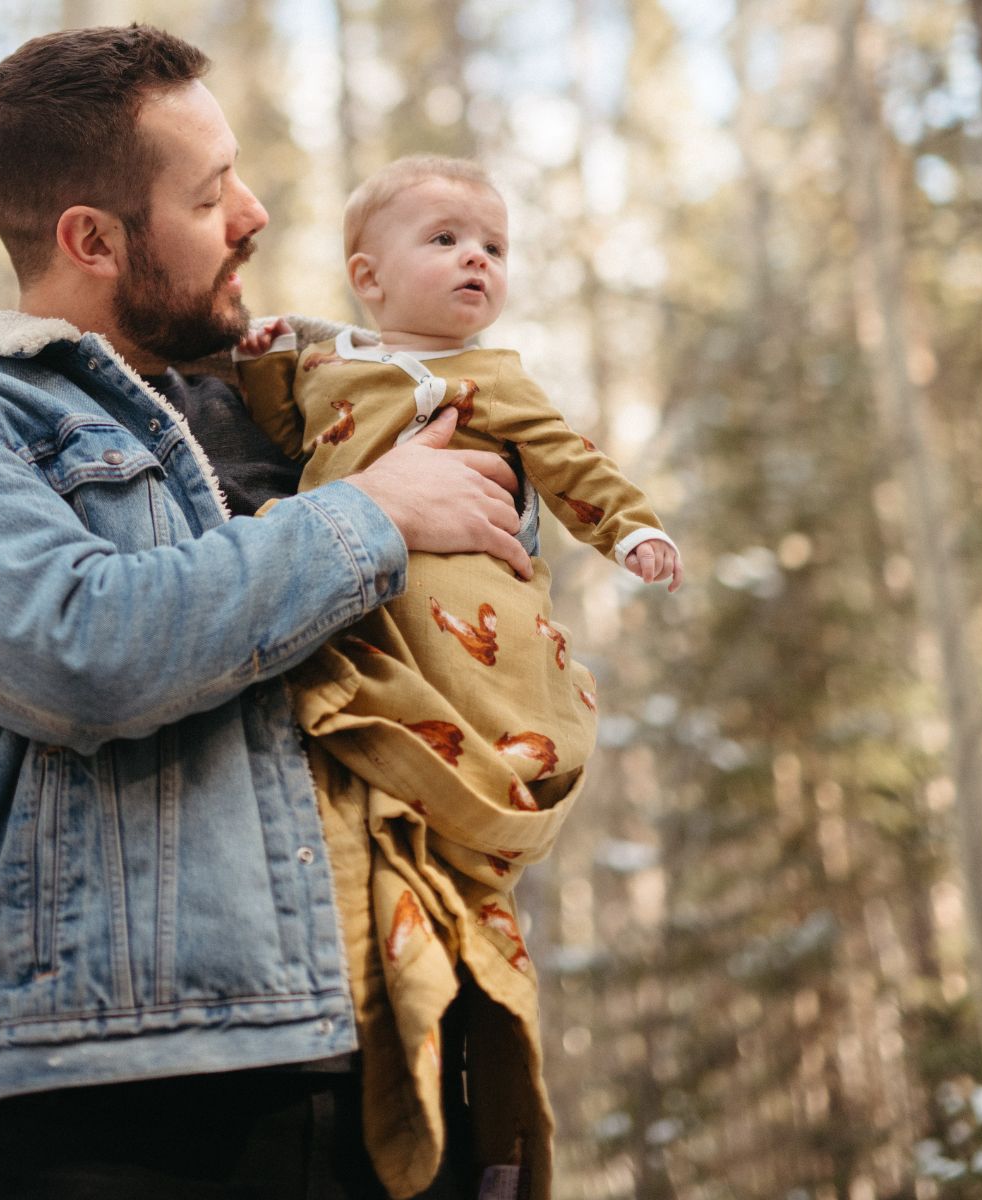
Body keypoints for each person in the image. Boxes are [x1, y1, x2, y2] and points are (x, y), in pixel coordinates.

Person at [0, 27, 537, 1200]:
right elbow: (81, 650)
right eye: (209, 195)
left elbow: (493, 582)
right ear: (90, 239)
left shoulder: (304, 391)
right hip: (127, 1100)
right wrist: (367, 516)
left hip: (410, 1071)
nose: (255, 214)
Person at [231, 155, 683, 1198]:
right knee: (401, 844)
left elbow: (574, 464)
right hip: (359, 611)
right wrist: (259, 352)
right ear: (369, 275)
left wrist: (633, 531)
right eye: (444, 239)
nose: (477, 257)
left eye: (492, 245)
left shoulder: (502, 380)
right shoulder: (321, 359)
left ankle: (490, 1135)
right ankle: (449, 1113)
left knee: (472, 794)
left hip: (472, 612)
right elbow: (275, 420)